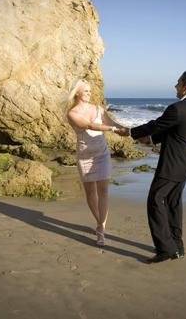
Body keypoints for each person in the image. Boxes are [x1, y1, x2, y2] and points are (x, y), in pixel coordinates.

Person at [118, 71, 186, 263]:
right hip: (185, 165)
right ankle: (177, 247)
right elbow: (171, 132)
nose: (175, 86)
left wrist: (130, 132)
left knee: (155, 201)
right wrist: (149, 140)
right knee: (174, 204)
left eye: (178, 83)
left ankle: (166, 249)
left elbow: (156, 125)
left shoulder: (177, 108)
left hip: (171, 166)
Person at [66, 79, 127, 246]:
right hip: (85, 156)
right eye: (85, 91)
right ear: (77, 92)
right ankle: (100, 222)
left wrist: (127, 130)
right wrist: (112, 129)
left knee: (104, 192)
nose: (89, 94)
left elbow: (111, 123)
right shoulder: (72, 113)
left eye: (90, 91)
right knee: (90, 193)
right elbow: (89, 126)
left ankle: (101, 228)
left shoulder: (98, 109)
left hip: (102, 154)